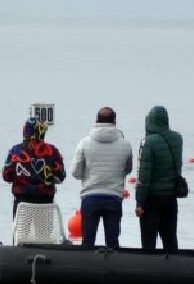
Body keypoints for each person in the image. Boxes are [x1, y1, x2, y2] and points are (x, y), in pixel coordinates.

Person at [70, 106, 133, 249]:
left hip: (90, 197)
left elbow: (75, 172)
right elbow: (128, 169)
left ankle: (86, 269)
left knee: (87, 244)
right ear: (114, 121)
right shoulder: (125, 144)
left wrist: (88, 175)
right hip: (114, 197)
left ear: (96, 120)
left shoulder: (84, 143)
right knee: (113, 244)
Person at [134, 106, 183, 252]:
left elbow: (144, 176)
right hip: (171, 198)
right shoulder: (177, 139)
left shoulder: (148, 142)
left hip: (152, 200)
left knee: (148, 243)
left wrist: (139, 203)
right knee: (170, 240)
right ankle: (173, 269)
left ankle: (149, 272)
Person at [2, 117, 66, 217]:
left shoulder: (16, 150)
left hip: (22, 204)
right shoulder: (52, 150)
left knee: (21, 232)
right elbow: (61, 177)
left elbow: (6, 176)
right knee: (43, 232)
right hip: (46, 203)